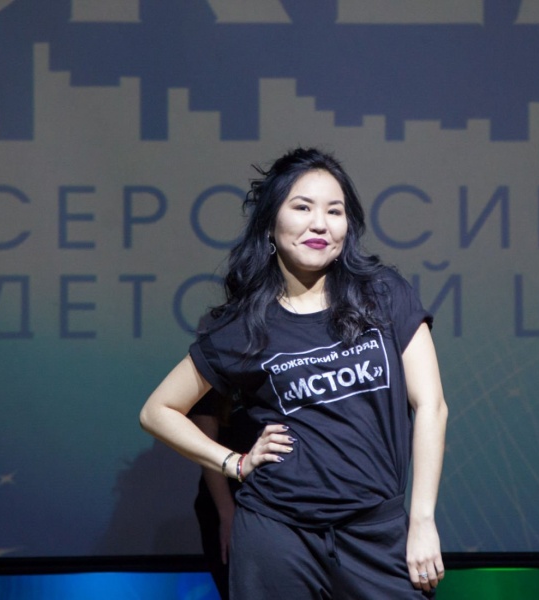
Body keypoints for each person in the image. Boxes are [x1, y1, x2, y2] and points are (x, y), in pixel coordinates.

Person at [140, 147, 448, 598]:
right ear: (270, 223)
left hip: (376, 533)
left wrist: (422, 521)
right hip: (277, 534)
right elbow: (157, 411)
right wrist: (235, 463)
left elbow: (431, 406)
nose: (320, 224)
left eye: (335, 211)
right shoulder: (245, 326)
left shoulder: (383, 294)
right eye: (302, 207)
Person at [188, 388, 255, 599]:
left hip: (273, 499)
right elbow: (205, 450)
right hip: (230, 503)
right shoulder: (211, 377)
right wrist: (227, 514)